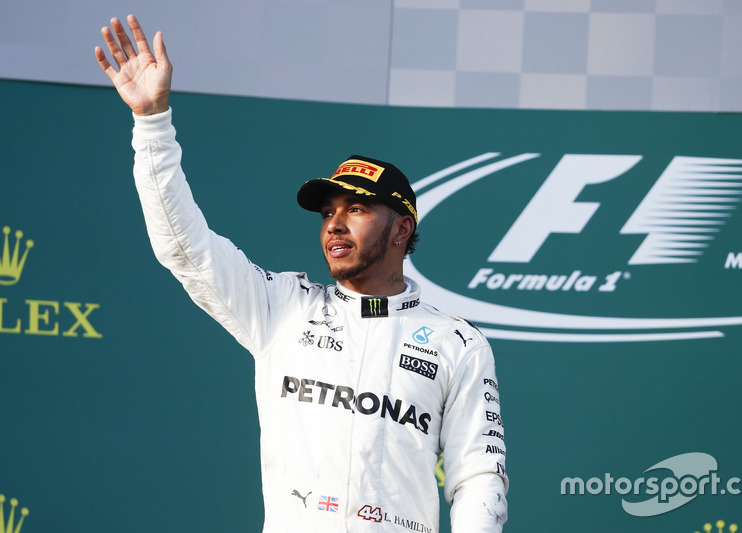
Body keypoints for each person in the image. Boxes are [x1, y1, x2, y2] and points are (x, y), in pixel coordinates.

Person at [96, 15, 508, 533]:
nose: (334, 223)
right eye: (327, 212)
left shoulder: (458, 344)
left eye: (356, 210)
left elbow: (478, 478)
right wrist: (152, 124)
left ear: (402, 228)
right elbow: (185, 249)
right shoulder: (282, 307)